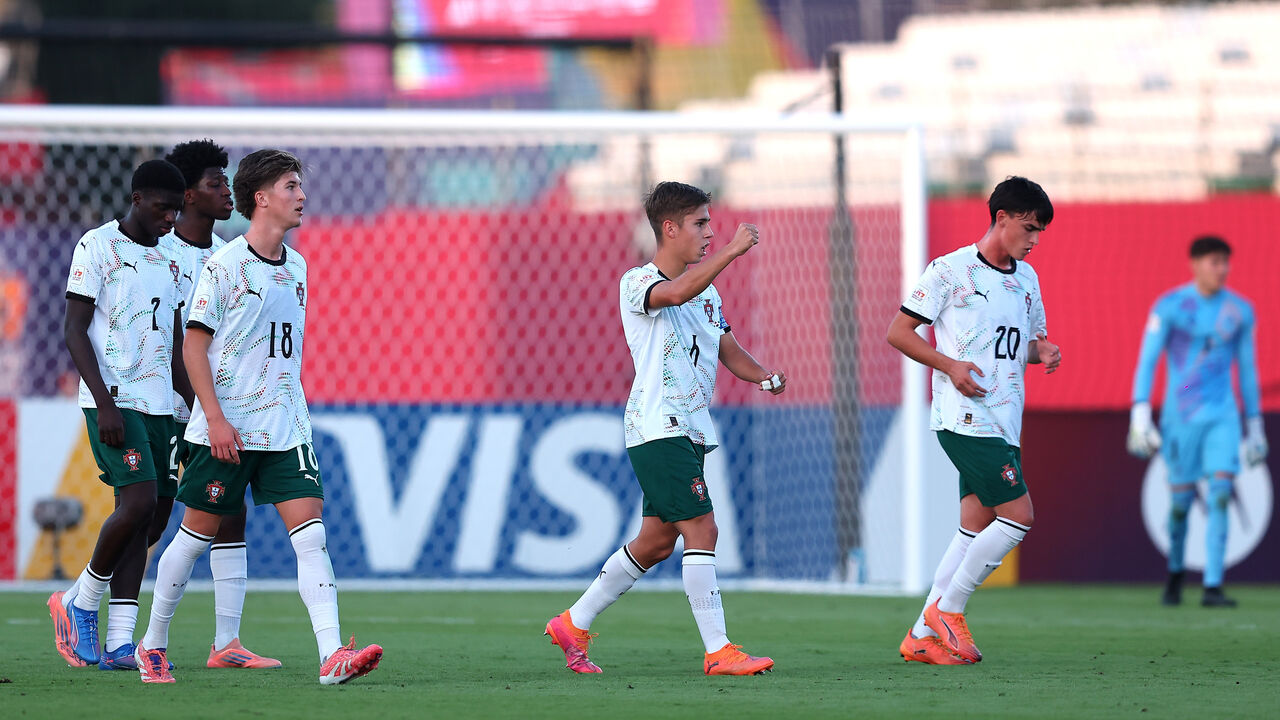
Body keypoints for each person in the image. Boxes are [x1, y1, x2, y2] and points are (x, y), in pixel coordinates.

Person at [134, 149, 382, 685]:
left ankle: (332, 655)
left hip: (286, 426)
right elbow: (193, 348)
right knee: (193, 539)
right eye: (292, 186)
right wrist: (216, 420)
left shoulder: (298, 266)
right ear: (262, 198)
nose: (302, 196)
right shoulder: (223, 267)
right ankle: (151, 643)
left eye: (300, 186)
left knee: (311, 537)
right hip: (224, 430)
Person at [544, 181, 784, 676]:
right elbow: (674, 292)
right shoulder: (636, 282)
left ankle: (574, 622)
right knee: (703, 527)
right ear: (669, 228)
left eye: (711, 224)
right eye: (700, 223)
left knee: (654, 543)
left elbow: (728, 350)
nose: (711, 233)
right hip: (657, 426)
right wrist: (735, 252)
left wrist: (765, 376)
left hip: (689, 430)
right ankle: (719, 650)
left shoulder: (709, 294)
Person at [887, 176, 1060, 665]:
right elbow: (899, 332)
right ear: (1001, 218)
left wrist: (1041, 349)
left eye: (1040, 232)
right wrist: (950, 366)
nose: (1033, 240)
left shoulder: (1027, 280)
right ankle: (950, 609)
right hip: (964, 416)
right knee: (1019, 516)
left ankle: (921, 634)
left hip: (1005, 419)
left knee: (974, 525)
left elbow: (1015, 347)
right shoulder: (950, 271)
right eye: (1028, 228)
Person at [48, 159, 192, 669]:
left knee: (150, 518)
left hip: (161, 406)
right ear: (136, 199)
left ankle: (119, 642)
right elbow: (73, 329)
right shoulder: (97, 246)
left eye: (175, 210)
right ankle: (79, 602)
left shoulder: (172, 259)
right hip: (115, 400)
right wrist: (104, 403)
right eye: (160, 207)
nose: (169, 218)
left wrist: (196, 407)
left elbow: (174, 345)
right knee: (135, 504)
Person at [161, 138, 278, 668]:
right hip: (165, 408)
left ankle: (225, 643)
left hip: (215, 413)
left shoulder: (231, 255)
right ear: (186, 195)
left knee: (227, 516)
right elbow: (169, 341)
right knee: (150, 514)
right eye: (214, 182)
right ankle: (95, 612)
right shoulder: (158, 254)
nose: (226, 192)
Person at [1127, 235, 1267, 608]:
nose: (1221, 269)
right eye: (1213, 262)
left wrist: (1255, 427)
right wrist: (1140, 412)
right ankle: (1175, 574)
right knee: (1181, 505)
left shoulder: (1240, 311)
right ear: (1195, 264)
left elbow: (1248, 370)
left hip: (1223, 416)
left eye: (1225, 262)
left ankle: (1213, 585)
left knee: (1221, 494)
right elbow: (1148, 360)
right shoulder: (1170, 307)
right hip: (1181, 417)